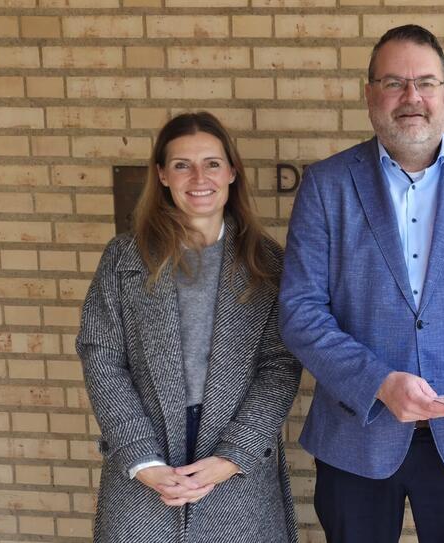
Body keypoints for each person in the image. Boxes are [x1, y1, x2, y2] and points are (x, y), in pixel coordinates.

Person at [279, 24, 444, 543]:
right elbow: (300, 313)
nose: (412, 98)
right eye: (394, 83)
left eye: (425, 83)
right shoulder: (327, 185)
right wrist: (379, 382)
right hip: (355, 432)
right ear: (369, 96)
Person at [77, 112, 302, 543]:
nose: (199, 177)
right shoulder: (125, 258)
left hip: (237, 469)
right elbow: (101, 356)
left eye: (212, 163)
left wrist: (234, 454)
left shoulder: (266, 262)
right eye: (182, 164)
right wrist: (143, 459)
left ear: (232, 172)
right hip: (146, 467)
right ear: (161, 175)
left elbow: (280, 364)